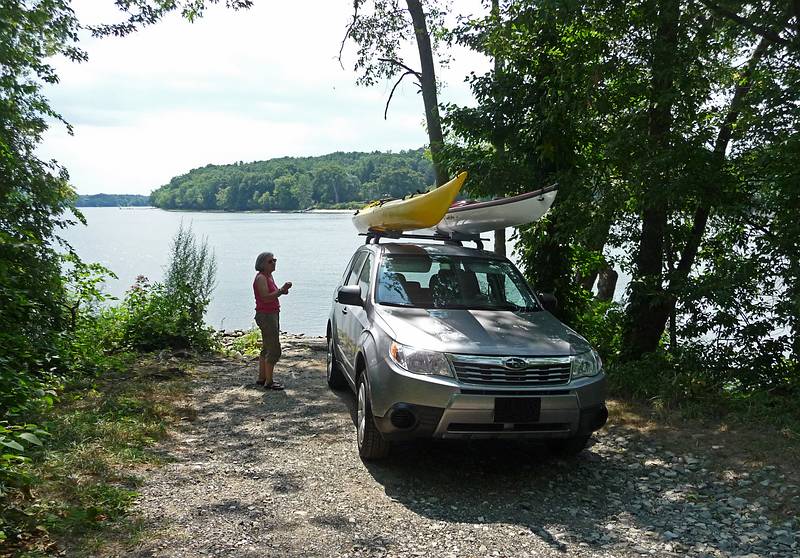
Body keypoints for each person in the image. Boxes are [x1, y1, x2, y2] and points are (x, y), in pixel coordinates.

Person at [253, 252, 292, 390]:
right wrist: (281, 290)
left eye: (274, 260)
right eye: (270, 261)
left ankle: (262, 377)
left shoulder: (269, 276)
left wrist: (281, 291)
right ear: (262, 264)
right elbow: (265, 297)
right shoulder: (261, 278)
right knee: (274, 349)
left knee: (266, 347)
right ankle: (269, 382)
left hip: (272, 314)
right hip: (266, 315)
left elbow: (273, 293)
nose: (274, 263)